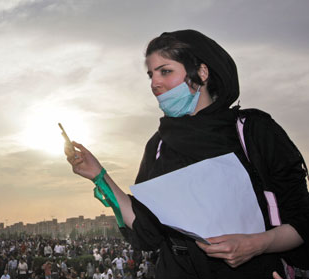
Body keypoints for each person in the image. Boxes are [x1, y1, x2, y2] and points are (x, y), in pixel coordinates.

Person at [66, 29, 309, 278]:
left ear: (201, 72)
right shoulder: (158, 145)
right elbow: (146, 229)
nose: (154, 83)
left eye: (165, 71)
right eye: (150, 75)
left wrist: (257, 244)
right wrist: (99, 175)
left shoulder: (252, 131)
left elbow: (302, 222)